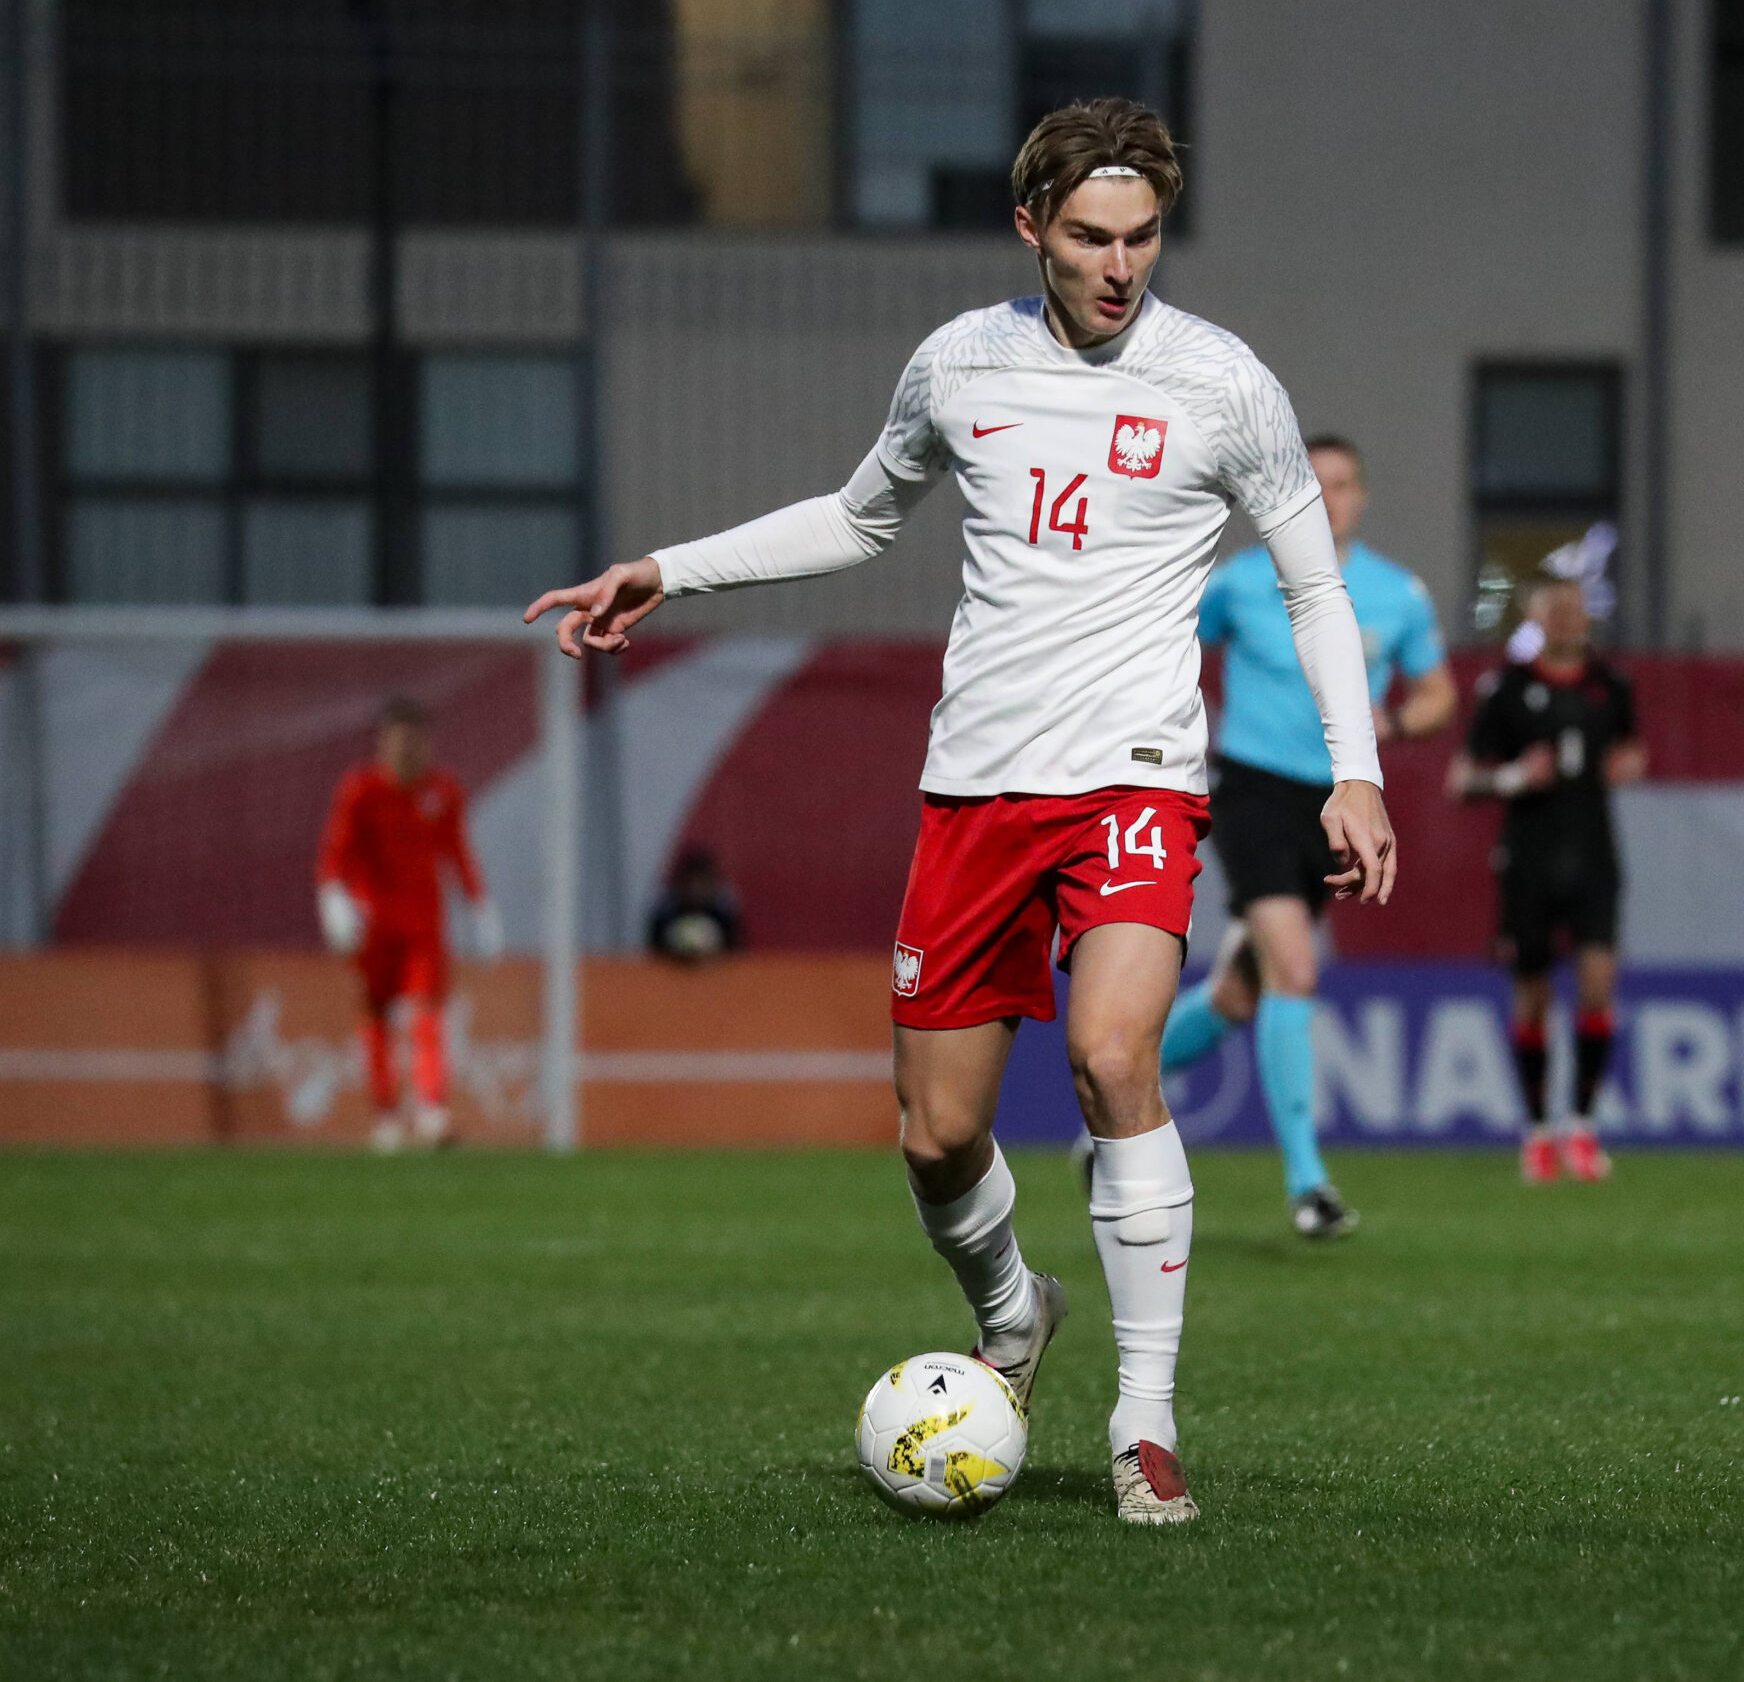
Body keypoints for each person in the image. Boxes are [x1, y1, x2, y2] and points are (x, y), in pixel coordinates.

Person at [522, 98, 1394, 1526]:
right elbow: (862, 516)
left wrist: (1353, 768)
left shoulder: (1223, 381)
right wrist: (666, 569)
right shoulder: (959, 362)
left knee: (1119, 1056)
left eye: (1145, 235)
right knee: (935, 1135)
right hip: (978, 790)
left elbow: (1312, 586)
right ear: (1031, 228)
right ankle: (1015, 1302)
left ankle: (1146, 1421)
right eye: (1091, 236)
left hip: (1137, 780)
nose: (1122, 265)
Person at [1156, 434, 1455, 1240]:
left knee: (1239, 992)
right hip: (1252, 791)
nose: (1330, 498)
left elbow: (1437, 694)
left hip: (1339, 803)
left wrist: (1389, 720)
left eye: (1344, 484)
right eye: (1313, 483)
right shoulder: (1242, 582)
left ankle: (1116, 1110)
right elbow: (1166, 643)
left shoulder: (1396, 593)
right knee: (1294, 966)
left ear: (1362, 496)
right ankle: (1308, 1184)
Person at [1448, 577, 1644, 1185]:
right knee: (1532, 996)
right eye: (1553, 608)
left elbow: (1632, 751)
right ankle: (1536, 1131)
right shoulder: (1508, 690)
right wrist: (1512, 779)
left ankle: (1581, 1126)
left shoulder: (1612, 686)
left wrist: (1629, 764)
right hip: (1528, 859)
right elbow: (1461, 781)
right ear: (1534, 617)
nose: (1565, 618)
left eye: (1574, 607)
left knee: (1596, 982)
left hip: (1593, 855)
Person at [315, 696, 501, 1153]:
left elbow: (457, 851)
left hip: (424, 924)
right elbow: (335, 853)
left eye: (416, 741)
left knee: (427, 1014)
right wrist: (333, 899)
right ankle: (385, 1116)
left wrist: (479, 907)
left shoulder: (442, 790)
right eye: (399, 741)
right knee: (375, 1014)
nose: (408, 751)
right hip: (373, 923)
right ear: (384, 742)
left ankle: (432, 1110)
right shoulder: (360, 790)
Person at [648, 844, 743, 963]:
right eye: (693, 882)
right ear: (682, 884)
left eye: (703, 882)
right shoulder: (665, 917)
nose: (697, 889)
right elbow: (654, 956)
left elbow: (738, 955)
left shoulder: (724, 917)